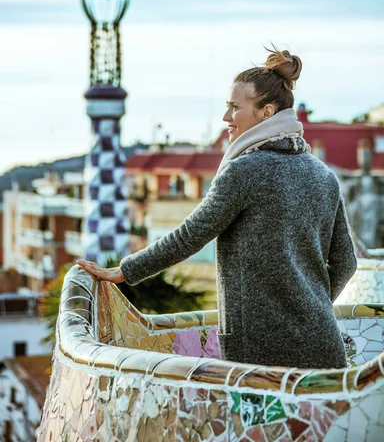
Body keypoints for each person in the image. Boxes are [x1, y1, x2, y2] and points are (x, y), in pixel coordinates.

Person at [77, 45, 357, 369]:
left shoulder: (243, 171)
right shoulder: (324, 175)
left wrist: (124, 271)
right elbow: (346, 262)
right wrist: (313, 306)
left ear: (266, 112)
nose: (226, 118)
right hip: (323, 344)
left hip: (260, 356)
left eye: (234, 108)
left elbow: (189, 237)